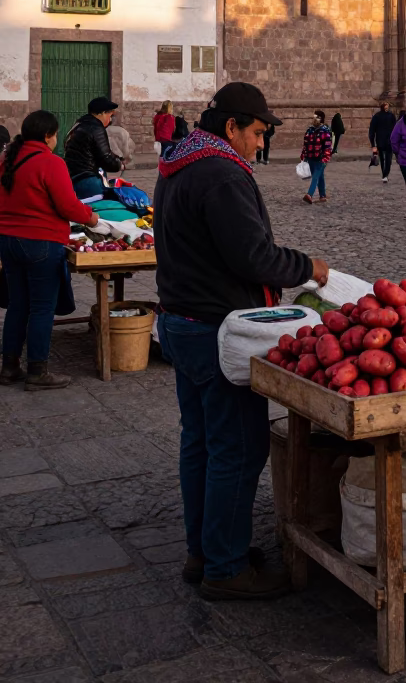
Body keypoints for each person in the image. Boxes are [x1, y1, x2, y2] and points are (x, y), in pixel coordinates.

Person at [154, 82, 328, 599]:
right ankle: (226, 569)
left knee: (201, 442)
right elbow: (253, 256)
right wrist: (309, 267)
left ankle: (203, 550)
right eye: (255, 132)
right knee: (238, 447)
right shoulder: (221, 173)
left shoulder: (180, 161)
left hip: (181, 320)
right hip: (215, 328)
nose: (259, 143)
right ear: (231, 127)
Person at [0, 110, 100, 389]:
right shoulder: (51, 162)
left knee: (18, 304)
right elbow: (68, 205)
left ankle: (8, 367)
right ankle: (37, 371)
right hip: (40, 243)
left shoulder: (7, 159)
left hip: (8, 240)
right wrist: (90, 217)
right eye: (55, 134)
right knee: (42, 308)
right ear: (48, 135)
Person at [63, 97, 123, 197]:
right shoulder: (96, 128)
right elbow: (106, 159)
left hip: (73, 177)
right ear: (102, 113)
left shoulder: (79, 124)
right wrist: (119, 164)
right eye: (110, 115)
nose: (110, 119)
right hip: (88, 180)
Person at [300, 111, 332, 204]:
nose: (314, 118)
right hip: (310, 157)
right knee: (319, 176)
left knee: (315, 177)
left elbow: (327, 145)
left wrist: (325, 158)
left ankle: (309, 194)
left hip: (320, 158)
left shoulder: (325, 130)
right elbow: (305, 143)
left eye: (316, 117)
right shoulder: (310, 129)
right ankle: (322, 196)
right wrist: (303, 155)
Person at [369, 99, 397, 183]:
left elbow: (395, 129)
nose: (386, 107)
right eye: (385, 105)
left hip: (387, 140)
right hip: (383, 141)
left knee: (386, 159)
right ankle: (385, 174)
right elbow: (372, 131)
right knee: (384, 159)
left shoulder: (389, 116)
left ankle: (385, 174)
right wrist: (373, 144)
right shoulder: (378, 116)